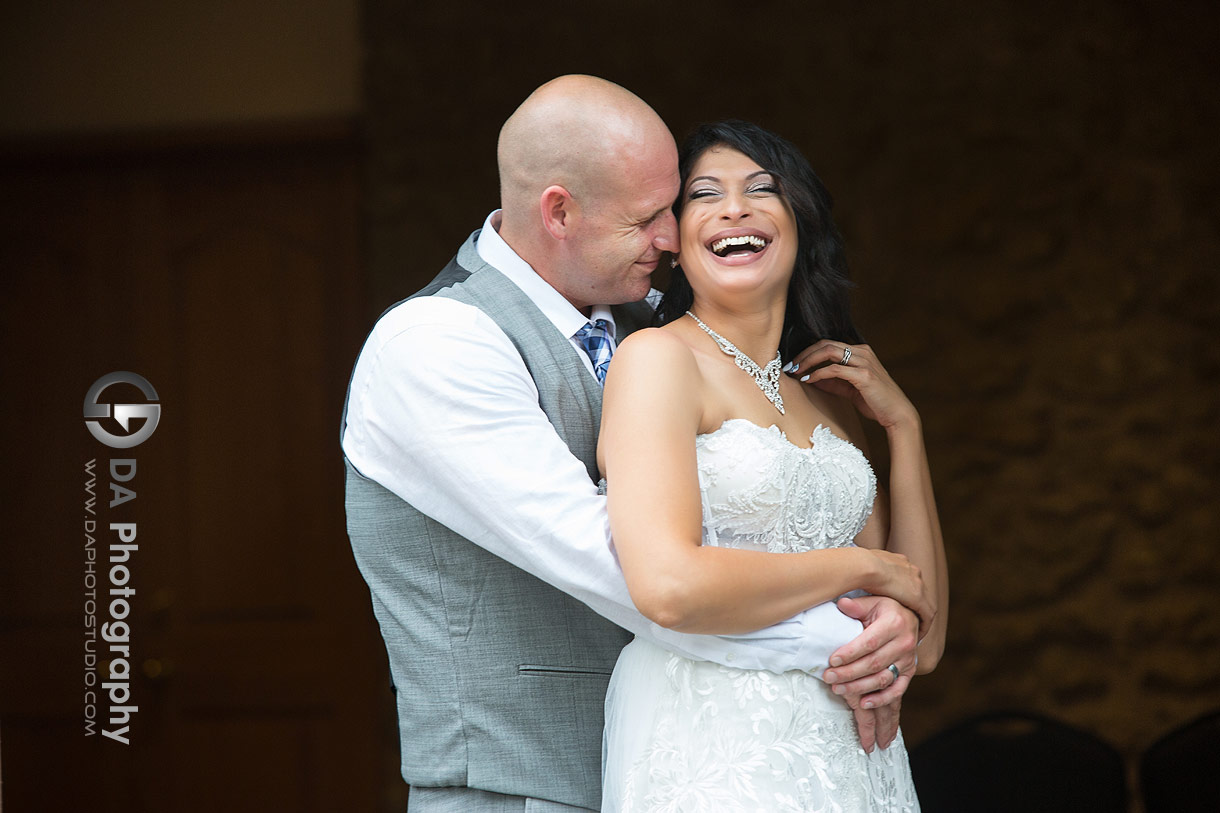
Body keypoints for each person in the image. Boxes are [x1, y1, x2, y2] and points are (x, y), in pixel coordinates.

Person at [342, 76, 921, 812]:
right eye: (648, 218)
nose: (671, 238)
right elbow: (622, 568)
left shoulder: (649, 320)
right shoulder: (434, 344)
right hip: (522, 789)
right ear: (559, 211)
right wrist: (860, 634)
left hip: (685, 767)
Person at [598, 119, 949, 811]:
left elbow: (922, 639)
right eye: (706, 194)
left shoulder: (830, 398)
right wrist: (863, 566)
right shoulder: (658, 360)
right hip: (716, 740)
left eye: (762, 188)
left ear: (799, 225)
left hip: (854, 754)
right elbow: (668, 584)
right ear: (675, 241)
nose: (735, 207)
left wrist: (904, 428)